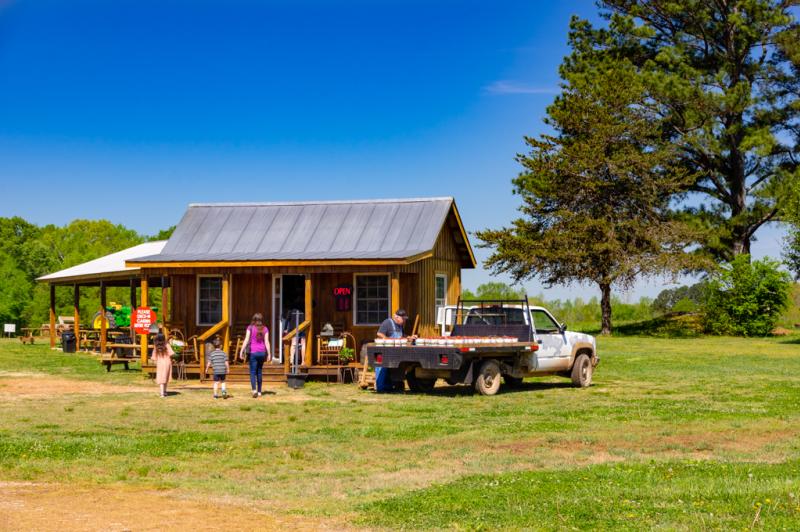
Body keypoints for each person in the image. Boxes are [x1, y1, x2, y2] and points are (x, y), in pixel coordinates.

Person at [374, 309, 415, 392]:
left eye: (404, 319)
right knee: (382, 368)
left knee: (396, 367)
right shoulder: (387, 322)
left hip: (395, 351)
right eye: (402, 319)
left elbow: (401, 335)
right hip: (386, 350)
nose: (404, 321)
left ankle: (390, 386)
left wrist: (409, 337)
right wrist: (387, 339)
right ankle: (381, 388)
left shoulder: (400, 326)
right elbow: (379, 334)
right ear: (396, 317)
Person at [240, 312, 271, 398]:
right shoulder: (265, 329)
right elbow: (267, 342)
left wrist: (241, 350)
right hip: (262, 353)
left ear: (254, 319)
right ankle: (260, 392)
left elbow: (246, 340)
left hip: (253, 353)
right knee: (259, 371)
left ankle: (254, 390)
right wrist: (269, 353)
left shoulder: (250, 328)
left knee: (253, 372)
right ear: (262, 320)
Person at [152, 332, 174, 398]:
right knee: (166, 378)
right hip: (167, 362)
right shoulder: (167, 345)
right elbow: (172, 353)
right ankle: (165, 392)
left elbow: (154, 357)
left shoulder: (156, 346)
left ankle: (162, 394)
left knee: (161, 378)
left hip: (160, 363)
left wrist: (154, 361)